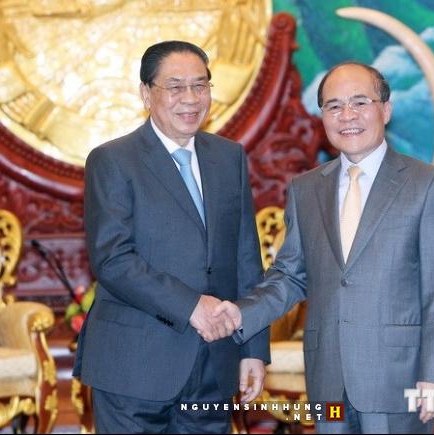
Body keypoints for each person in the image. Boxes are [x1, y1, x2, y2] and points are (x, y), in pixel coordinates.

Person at [213, 62, 434, 434]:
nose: (347, 115)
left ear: (386, 110)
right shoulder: (306, 188)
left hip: (399, 376)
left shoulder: (426, 185)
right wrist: (239, 314)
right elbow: (290, 276)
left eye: (360, 102)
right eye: (334, 106)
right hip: (328, 376)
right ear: (322, 117)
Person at [73, 40, 269, 433]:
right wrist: (191, 306)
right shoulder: (113, 160)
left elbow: (246, 258)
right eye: (175, 87)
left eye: (200, 85)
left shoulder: (229, 157)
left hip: (214, 363)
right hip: (134, 367)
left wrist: (253, 348)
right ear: (146, 94)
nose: (191, 98)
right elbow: (113, 259)